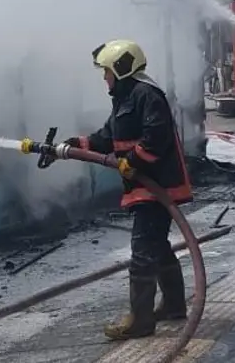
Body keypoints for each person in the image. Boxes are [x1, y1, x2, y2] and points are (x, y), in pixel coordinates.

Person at [69, 40, 193, 339]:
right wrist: (80, 145)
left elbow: (156, 139)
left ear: (121, 69)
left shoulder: (147, 95)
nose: (104, 78)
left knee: (142, 253)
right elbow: (109, 136)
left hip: (157, 186)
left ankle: (141, 320)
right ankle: (174, 305)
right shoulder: (125, 98)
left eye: (107, 71)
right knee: (157, 246)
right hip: (143, 186)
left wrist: (132, 161)